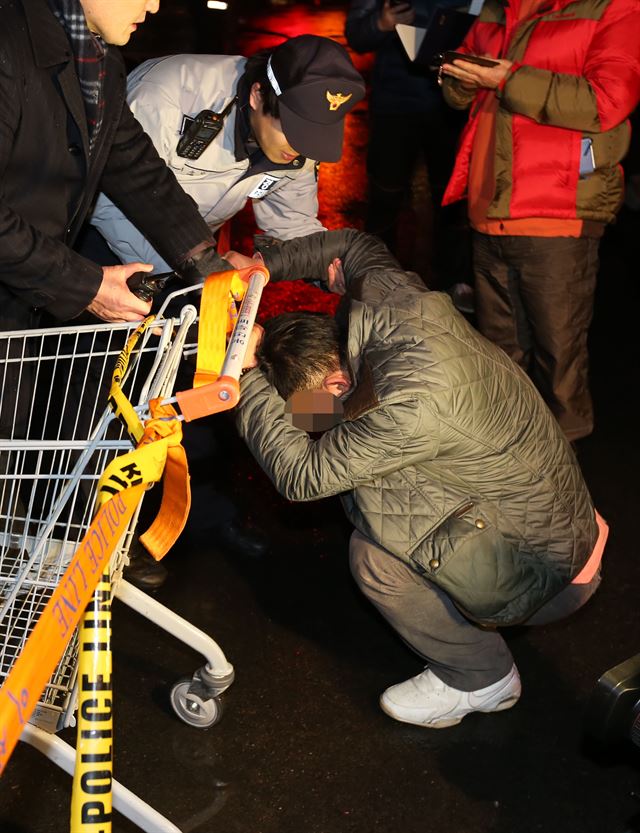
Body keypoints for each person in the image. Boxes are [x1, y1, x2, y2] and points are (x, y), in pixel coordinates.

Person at [227, 228, 607, 728]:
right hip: (564, 522)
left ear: (338, 382)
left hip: (552, 570)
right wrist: (261, 266)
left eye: (304, 407)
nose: (304, 420)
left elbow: (302, 475)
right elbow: (352, 247)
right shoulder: (394, 308)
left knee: (374, 556)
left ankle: (481, 679)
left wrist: (247, 372)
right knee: (360, 463)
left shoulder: (403, 408)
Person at [0, 0, 240, 590]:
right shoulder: (7, 46)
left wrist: (206, 267)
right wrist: (85, 285)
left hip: (19, 297)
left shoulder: (99, 56)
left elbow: (132, 164)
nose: (157, 4)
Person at [438, 0, 640, 442]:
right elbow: (460, 84)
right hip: (489, 209)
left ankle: (567, 482)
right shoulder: (496, 8)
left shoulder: (613, 7)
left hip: (556, 210)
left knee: (559, 363)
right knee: (500, 360)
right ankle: (509, 467)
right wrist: (456, 76)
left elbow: (607, 100)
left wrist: (506, 78)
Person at [89, 35, 366, 272]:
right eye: (294, 133)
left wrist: (332, 265)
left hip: (192, 254)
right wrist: (192, 275)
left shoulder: (297, 135)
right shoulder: (169, 93)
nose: (300, 149)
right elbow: (110, 200)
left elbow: (291, 220)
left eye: (313, 135)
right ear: (257, 95)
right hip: (100, 243)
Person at [345, 0, 473, 301]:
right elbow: (356, 34)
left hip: (453, 104)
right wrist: (381, 23)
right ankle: (377, 281)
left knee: (453, 197)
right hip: (395, 104)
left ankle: (456, 281)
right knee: (385, 196)